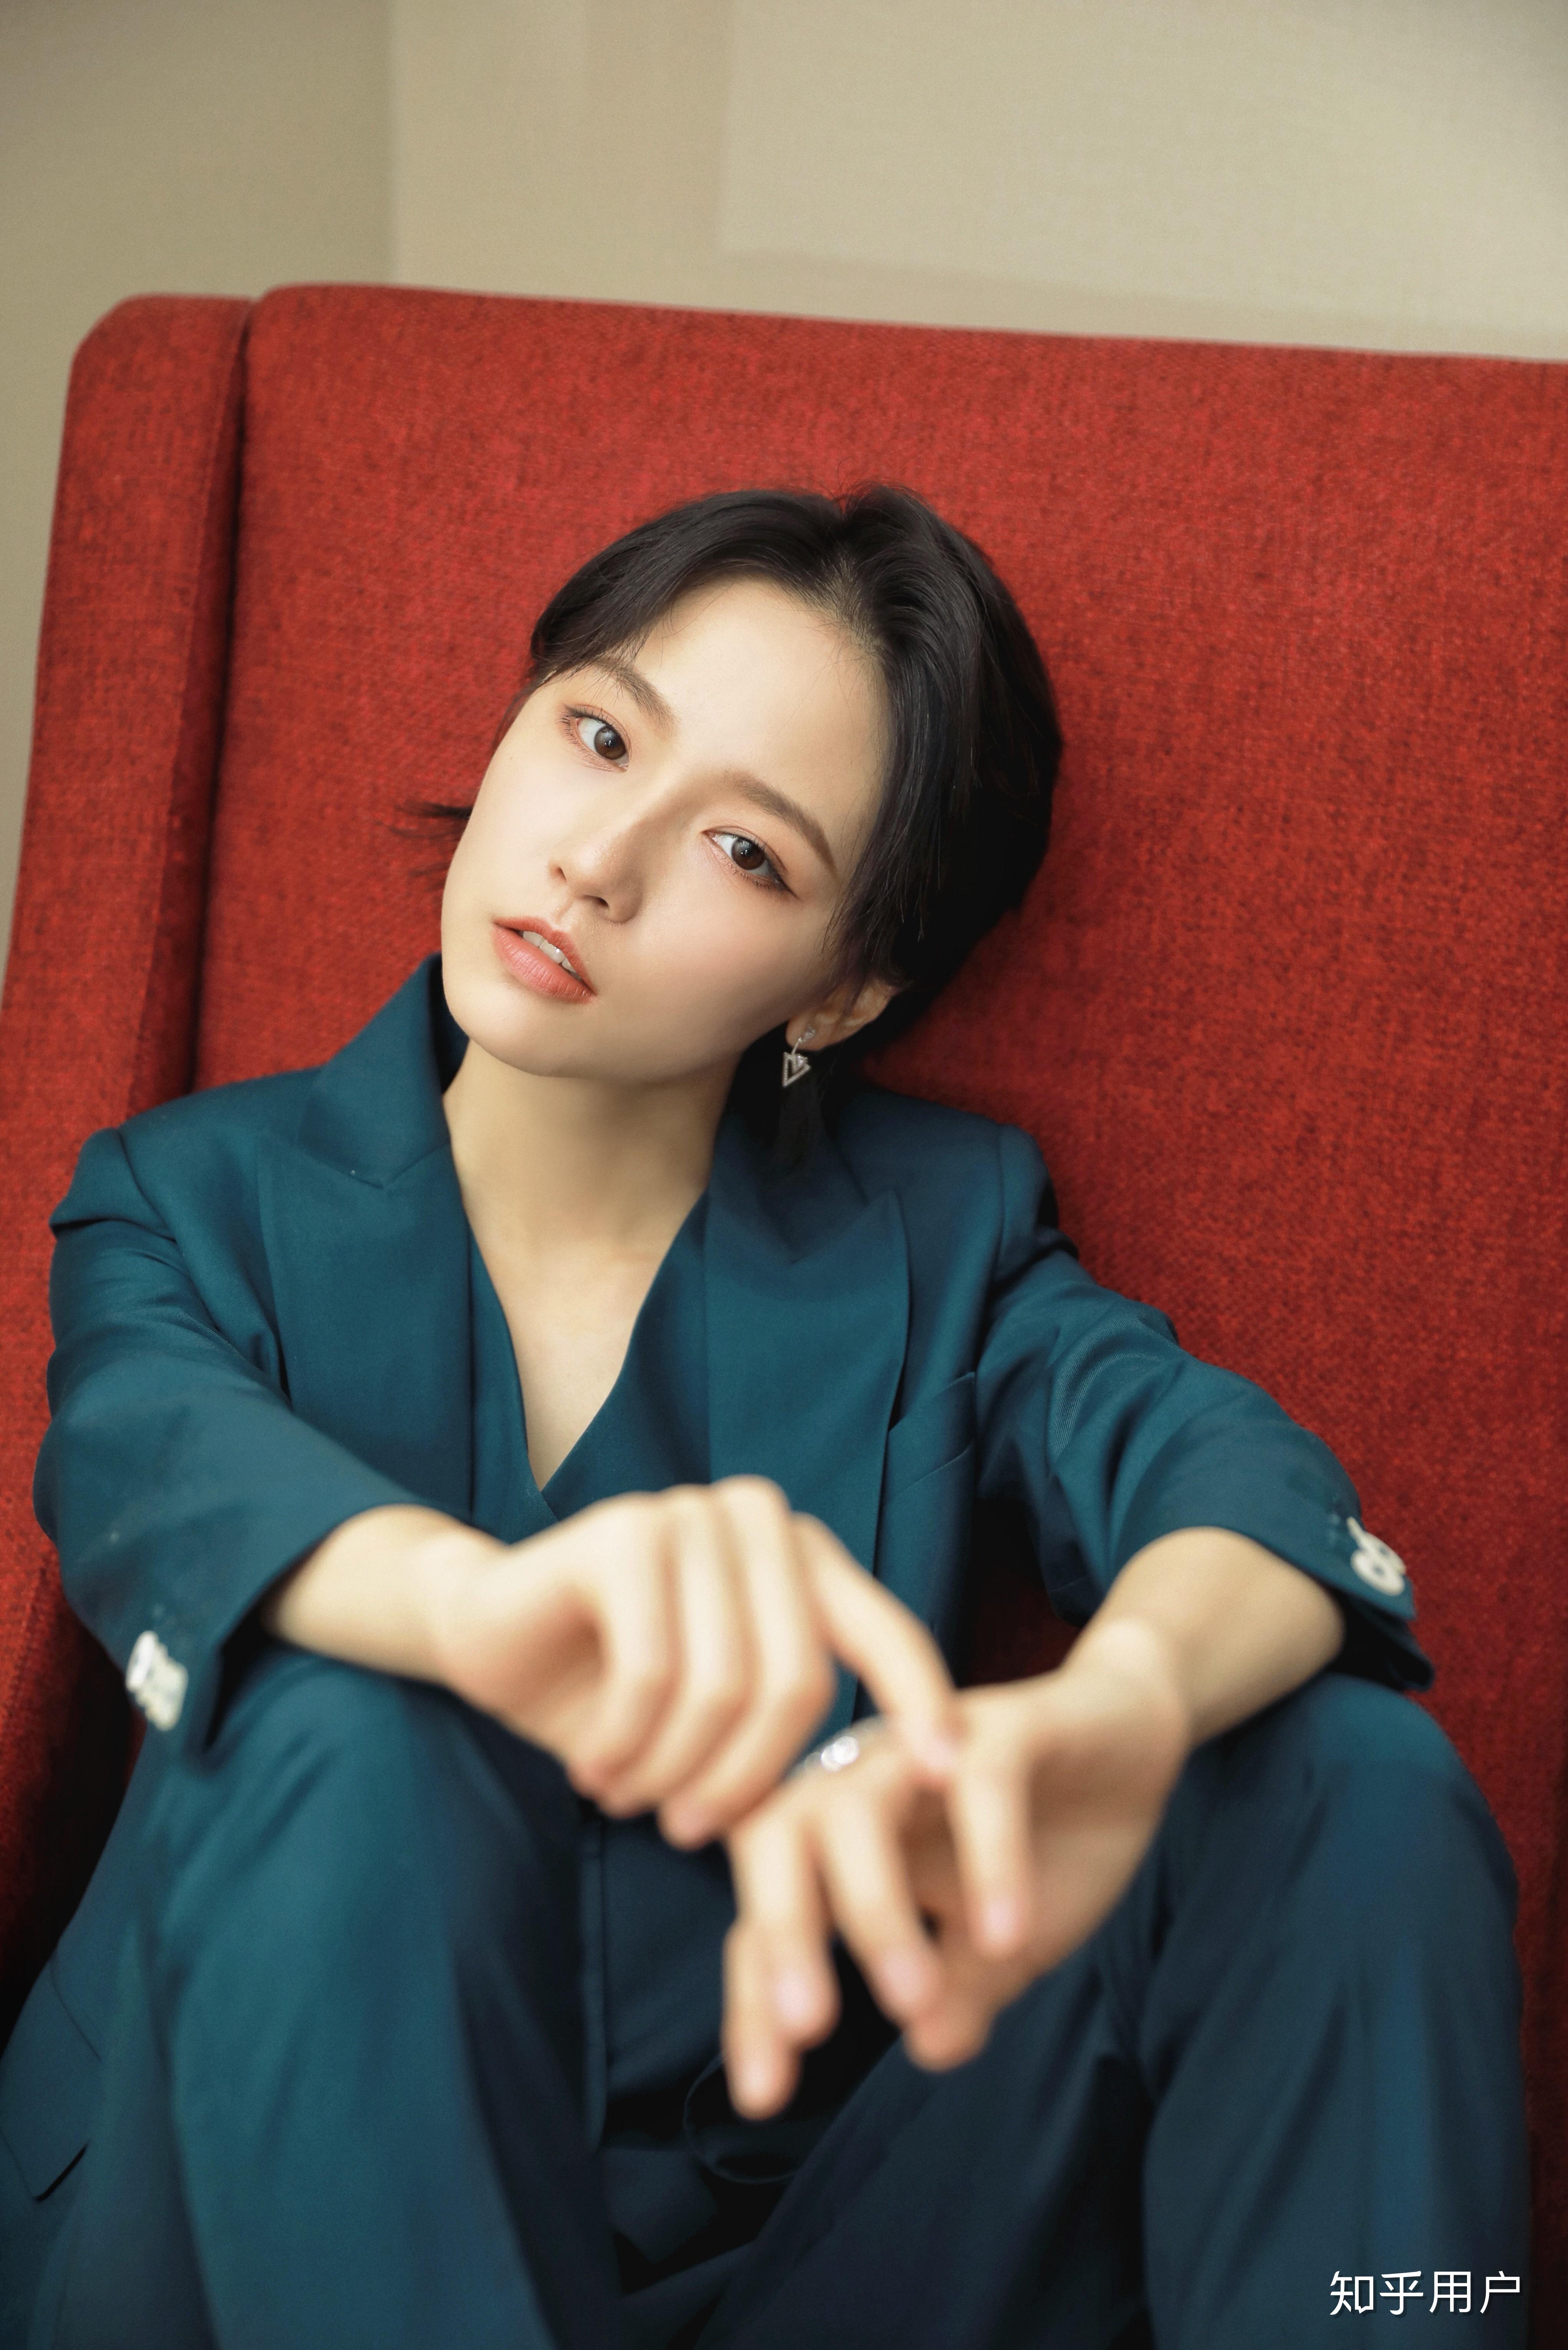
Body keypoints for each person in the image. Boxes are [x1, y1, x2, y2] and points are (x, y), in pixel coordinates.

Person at [0, 487, 1528, 2348]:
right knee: (338, 1722)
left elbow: (1220, 1471)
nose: (597, 862)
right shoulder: (184, 1196)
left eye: (744, 849)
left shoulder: (947, 1235)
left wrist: (1121, 1717)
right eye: (597, 734)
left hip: (787, 2263)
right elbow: (153, 1477)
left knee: (1338, 1777)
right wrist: (489, 1617)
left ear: (846, 984)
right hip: (235, 2214)